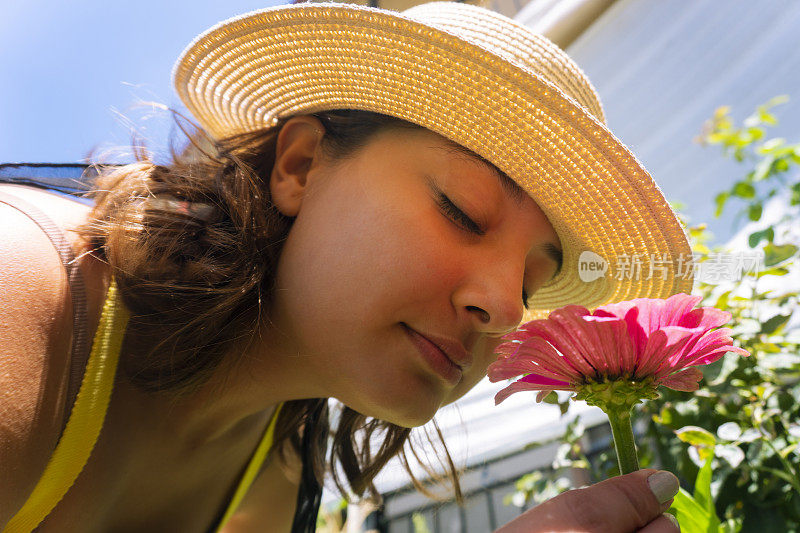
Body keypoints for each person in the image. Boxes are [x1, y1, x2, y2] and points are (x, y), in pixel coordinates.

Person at [0, 1, 690, 532]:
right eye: (462, 211)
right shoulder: (25, 288)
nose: (507, 310)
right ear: (300, 166)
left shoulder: (277, 473)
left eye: (531, 284)